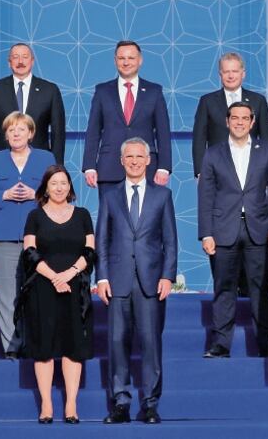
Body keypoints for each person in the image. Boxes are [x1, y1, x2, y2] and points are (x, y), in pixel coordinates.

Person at [96, 138, 177, 425]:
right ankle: (120, 403)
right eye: (128, 156)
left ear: (148, 160)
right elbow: (102, 240)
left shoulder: (162, 196)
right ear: (121, 161)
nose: (133, 161)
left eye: (139, 156)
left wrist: (167, 275)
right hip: (117, 281)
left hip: (151, 281)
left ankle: (150, 404)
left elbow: (170, 240)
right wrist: (102, 276)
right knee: (117, 342)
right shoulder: (109, 196)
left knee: (150, 343)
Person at [199, 101, 268, 358]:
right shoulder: (213, 153)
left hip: (259, 229)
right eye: (234, 118)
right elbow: (206, 195)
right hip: (223, 230)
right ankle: (221, 344)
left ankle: (266, 343)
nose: (239, 122)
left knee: (259, 288)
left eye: (245, 118)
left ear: (252, 122)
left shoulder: (267, 150)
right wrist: (206, 233)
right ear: (227, 121)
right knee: (224, 287)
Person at [18, 165, 95, 424]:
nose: (59, 188)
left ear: (70, 187)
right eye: (54, 183)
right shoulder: (35, 216)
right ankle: (47, 405)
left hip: (75, 288)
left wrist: (69, 274)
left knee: (74, 346)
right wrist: (53, 276)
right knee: (44, 347)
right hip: (43, 288)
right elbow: (30, 253)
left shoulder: (83, 215)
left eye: (64, 183)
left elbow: (89, 252)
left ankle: (71, 404)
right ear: (45, 188)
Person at [0, 112, 55, 358]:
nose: (16, 134)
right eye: (11, 130)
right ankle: (12, 348)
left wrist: (37, 194)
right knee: (8, 294)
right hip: (3, 236)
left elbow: (59, 190)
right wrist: (4, 195)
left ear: (31, 133)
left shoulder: (46, 158)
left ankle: (37, 344)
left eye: (21, 129)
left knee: (38, 293)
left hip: (40, 236)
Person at [83, 41, 171, 198]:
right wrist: (89, 166)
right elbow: (93, 131)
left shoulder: (154, 91)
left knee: (145, 220)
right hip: (109, 169)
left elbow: (163, 133)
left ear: (140, 60)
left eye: (131, 58)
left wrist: (164, 167)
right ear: (115, 60)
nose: (126, 62)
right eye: (121, 58)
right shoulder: (102, 91)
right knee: (109, 220)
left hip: (146, 169)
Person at [0, 43, 66, 169]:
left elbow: (58, 134)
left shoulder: (50, 90)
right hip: (3, 164)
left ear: (32, 61)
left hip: (40, 165)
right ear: (9, 62)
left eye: (25, 57)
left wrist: (56, 170)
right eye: (15, 57)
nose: (20, 61)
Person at [192, 52, 268, 176]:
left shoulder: (258, 101)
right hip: (217, 171)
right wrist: (200, 172)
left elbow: (266, 139)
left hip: (251, 170)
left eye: (235, 71)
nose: (230, 76)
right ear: (220, 74)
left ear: (243, 74)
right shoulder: (207, 101)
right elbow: (199, 139)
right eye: (226, 72)